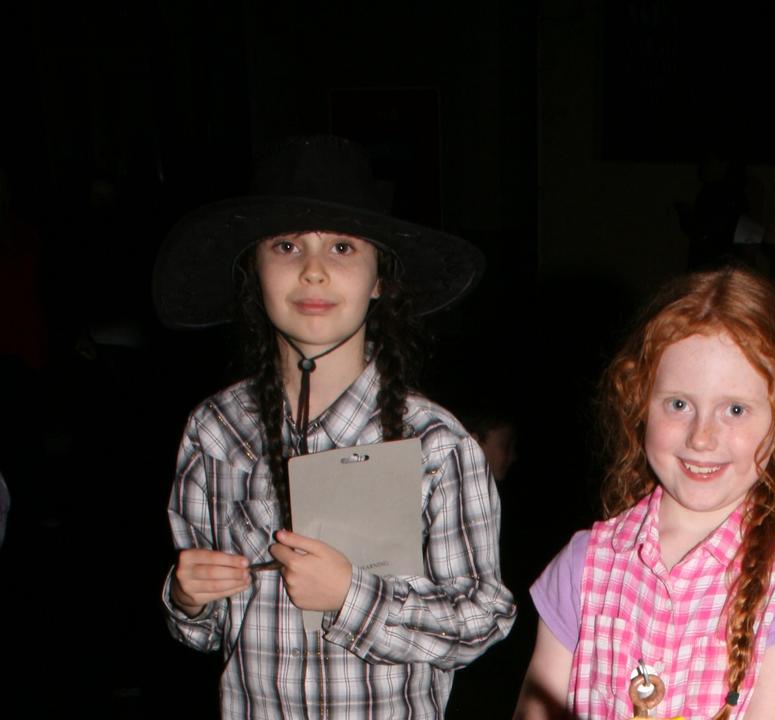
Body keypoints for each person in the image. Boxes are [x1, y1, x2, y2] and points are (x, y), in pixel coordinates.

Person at [154, 136, 516, 719]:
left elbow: (482, 620)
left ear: (380, 281)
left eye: (343, 247)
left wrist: (352, 597)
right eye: (288, 245)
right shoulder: (216, 430)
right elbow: (204, 634)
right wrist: (187, 598)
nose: (315, 272)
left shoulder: (434, 444)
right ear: (255, 271)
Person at [512, 268, 775, 719]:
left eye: (735, 409)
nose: (701, 437)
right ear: (641, 399)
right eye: (678, 404)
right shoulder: (583, 564)